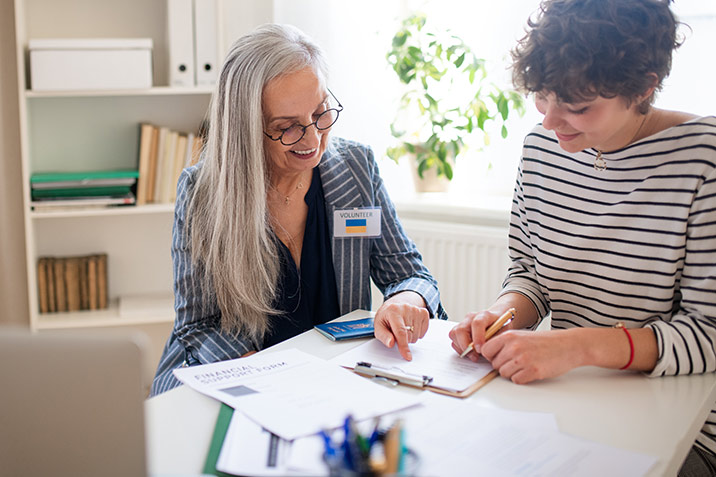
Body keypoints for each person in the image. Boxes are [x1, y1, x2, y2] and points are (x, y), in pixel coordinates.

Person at [448, 0, 716, 474]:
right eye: (543, 96)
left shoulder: (703, 159)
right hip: (568, 404)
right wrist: (502, 316)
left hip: (681, 426)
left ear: (643, 89)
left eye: (578, 107)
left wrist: (576, 347)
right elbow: (530, 276)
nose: (550, 122)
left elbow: (708, 334)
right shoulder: (541, 149)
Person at [151, 24, 446, 396]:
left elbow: (411, 274)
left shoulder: (355, 168)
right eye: (287, 127)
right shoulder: (203, 193)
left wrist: (406, 300)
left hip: (333, 381)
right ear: (247, 128)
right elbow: (197, 326)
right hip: (238, 377)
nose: (312, 139)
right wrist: (265, 377)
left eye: (321, 113)